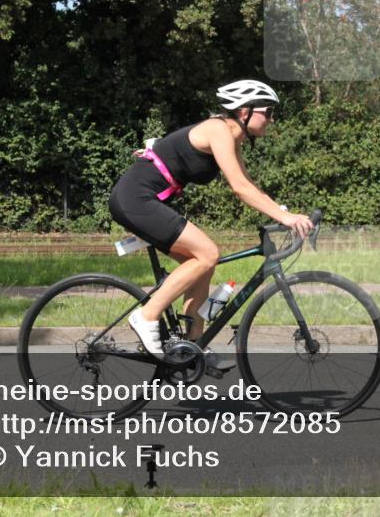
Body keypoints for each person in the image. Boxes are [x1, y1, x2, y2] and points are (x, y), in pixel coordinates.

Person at [108, 80, 314, 367]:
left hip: (145, 201)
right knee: (208, 253)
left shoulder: (231, 137)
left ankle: (191, 346)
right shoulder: (218, 129)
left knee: (202, 265)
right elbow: (239, 188)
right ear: (245, 111)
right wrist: (286, 218)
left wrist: (281, 212)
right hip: (135, 200)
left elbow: (249, 185)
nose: (272, 119)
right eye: (267, 112)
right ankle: (146, 316)